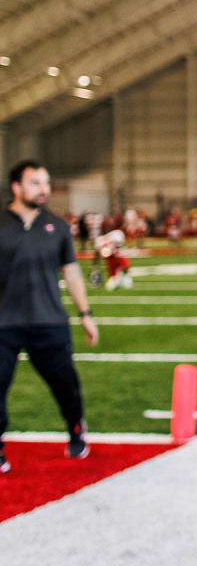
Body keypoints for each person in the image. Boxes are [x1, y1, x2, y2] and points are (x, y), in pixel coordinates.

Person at [0, 160, 99, 473]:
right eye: (35, 183)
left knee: (65, 384)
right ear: (16, 187)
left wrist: (85, 313)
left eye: (46, 182)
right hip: (4, 323)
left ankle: (75, 429)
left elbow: (71, 271)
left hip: (49, 321)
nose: (43, 189)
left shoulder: (56, 226)